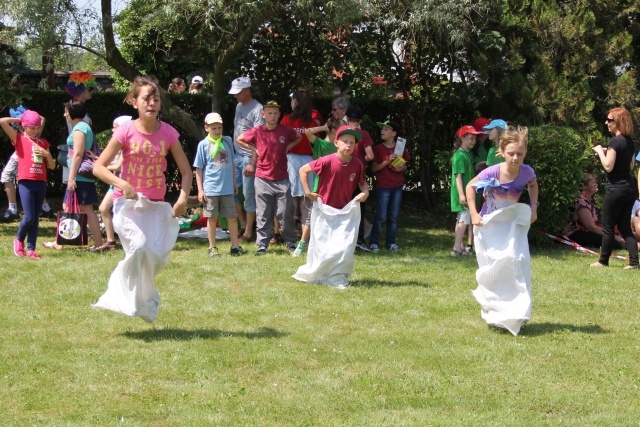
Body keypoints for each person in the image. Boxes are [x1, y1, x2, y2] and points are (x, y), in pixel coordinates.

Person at [92, 76, 192, 323]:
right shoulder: (126, 131)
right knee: (139, 246)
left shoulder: (168, 133)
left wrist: (182, 199)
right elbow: (99, 167)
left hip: (155, 206)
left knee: (155, 256)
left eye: (156, 99)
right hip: (127, 205)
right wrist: (122, 184)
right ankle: (117, 296)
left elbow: (187, 170)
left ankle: (144, 303)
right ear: (134, 102)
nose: (152, 103)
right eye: (146, 99)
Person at [465, 126, 538, 336]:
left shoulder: (527, 172)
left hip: (511, 224)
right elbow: (471, 187)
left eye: (520, 154)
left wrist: (534, 207)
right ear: (502, 152)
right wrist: (474, 213)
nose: (515, 158)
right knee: (494, 267)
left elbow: (533, 185)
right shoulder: (493, 171)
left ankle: (517, 311)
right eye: (511, 154)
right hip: (490, 225)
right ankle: (494, 312)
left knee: (517, 261)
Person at [293, 126, 369, 288]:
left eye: (352, 142)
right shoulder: (327, 160)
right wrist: (308, 192)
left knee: (344, 246)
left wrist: (365, 193)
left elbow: (363, 185)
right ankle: (321, 273)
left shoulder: (357, 164)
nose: (348, 145)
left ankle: (338, 275)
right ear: (336, 143)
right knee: (323, 245)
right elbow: (303, 170)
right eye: (345, 141)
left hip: (345, 213)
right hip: (324, 210)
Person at [236, 100, 301, 255]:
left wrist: (287, 147)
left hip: (282, 178)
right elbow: (240, 139)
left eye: (275, 113)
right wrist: (254, 148)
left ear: (279, 115)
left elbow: (298, 137)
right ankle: (262, 244)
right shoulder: (257, 131)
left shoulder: (286, 130)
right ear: (263, 115)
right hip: (262, 178)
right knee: (264, 213)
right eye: (269, 113)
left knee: (285, 212)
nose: (272, 116)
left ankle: (290, 241)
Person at [0, 110, 54, 259]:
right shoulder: (19, 139)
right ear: (24, 127)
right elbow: (3, 121)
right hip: (26, 182)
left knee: (36, 218)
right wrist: (21, 119)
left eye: (37, 128)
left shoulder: (42, 142)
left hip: (40, 182)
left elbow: (52, 166)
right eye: (32, 128)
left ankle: (31, 249)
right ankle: (18, 240)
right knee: (29, 217)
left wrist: (46, 154)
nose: (35, 131)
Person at [591, 107, 638, 269]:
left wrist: (600, 151)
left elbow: (608, 166)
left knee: (608, 225)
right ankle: (634, 262)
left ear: (618, 122)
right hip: (630, 188)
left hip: (616, 189)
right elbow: (631, 166)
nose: (606, 123)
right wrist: (609, 152)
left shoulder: (614, 141)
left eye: (610, 120)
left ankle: (603, 261)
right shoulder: (630, 141)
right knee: (625, 226)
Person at [193, 112, 246, 257]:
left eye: (219, 128)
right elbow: (199, 169)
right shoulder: (203, 145)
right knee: (212, 218)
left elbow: (232, 164)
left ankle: (235, 246)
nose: (217, 131)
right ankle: (212, 247)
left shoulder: (228, 141)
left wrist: (235, 183)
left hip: (227, 188)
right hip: (211, 188)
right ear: (206, 128)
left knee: (232, 217)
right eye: (214, 128)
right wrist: (200, 190)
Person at [292, 117, 341, 257]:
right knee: (310, 218)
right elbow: (308, 132)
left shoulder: (340, 147)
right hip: (320, 186)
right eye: (340, 129)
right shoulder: (320, 144)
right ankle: (302, 244)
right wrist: (325, 127)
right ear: (333, 131)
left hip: (336, 187)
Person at [280, 88, 323, 243]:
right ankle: (306, 238)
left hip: (291, 160)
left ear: (296, 101)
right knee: (306, 202)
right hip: (308, 161)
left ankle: (290, 237)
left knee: (292, 201)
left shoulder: (287, 120)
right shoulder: (311, 123)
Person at [64, 100, 104, 250]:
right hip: (79, 176)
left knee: (87, 209)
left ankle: (99, 243)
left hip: (80, 176)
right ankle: (61, 241)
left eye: (66, 111)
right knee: (72, 206)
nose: (64, 114)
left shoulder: (80, 128)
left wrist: (71, 177)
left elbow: (78, 154)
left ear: (73, 112)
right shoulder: (81, 127)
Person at [229, 76, 264, 242]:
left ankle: (249, 232)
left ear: (247, 91)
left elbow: (259, 139)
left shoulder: (258, 109)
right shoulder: (239, 105)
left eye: (238, 92)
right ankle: (243, 224)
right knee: (231, 190)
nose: (235, 95)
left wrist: (252, 161)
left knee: (249, 195)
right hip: (236, 156)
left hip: (249, 157)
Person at [91, 115, 132, 252]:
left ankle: (116, 241)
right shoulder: (119, 145)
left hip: (121, 183)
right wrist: (99, 160)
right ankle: (111, 242)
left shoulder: (125, 146)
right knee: (104, 209)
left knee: (110, 210)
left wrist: (99, 167)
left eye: (115, 127)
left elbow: (119, 166)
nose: (113, 130)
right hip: (116, 183)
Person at [369, 118, 410, 252]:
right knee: (381, 216)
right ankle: (374, 242)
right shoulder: (377, 148)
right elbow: (373, 169)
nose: (382, 131)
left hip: (397, 186)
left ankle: (390, 242)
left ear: (394, 133)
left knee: (393, 216)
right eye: (382, 129)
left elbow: (405, 165)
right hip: (383, 186)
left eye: (386, 129)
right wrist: (387, 162)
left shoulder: (400, 147)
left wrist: (402, 167)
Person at [563, 173, 624, 248]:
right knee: (609, 240)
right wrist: (613, 236)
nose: (596, 184)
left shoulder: (590, 200)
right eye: (593, 182)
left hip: (586, 232)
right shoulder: (580, 200)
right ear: (584, 186)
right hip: (574, 234)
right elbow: (591, 227)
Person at [345, 105, 375, 250]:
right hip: (359, 175)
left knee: (342, 204)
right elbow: (370, 155)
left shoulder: (342, 132)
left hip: (343, 174)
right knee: (359, 206)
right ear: (360, 120)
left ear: (347, 118)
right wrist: (360, 160)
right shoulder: (364, 134)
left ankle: (343, 238)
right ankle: (359, 239)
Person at [450, 125, 482, 256]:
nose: (473, 141)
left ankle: (460, 247)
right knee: (464, 219)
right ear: (462, 138)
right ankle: (456, 248)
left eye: (475, 138)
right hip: (462, 192)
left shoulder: (467, 153)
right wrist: (462, 195)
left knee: (461, 219)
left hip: (466, 192)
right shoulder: (459, 155)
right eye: (471, 138)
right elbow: (458, 176)